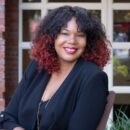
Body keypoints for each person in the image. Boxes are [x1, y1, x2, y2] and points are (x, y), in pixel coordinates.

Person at [0, 5, 110, 130]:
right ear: (52, 37)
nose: (72, 41)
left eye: (80, 35)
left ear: (88, 41)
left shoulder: (93, 78)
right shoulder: (38, 67)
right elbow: (8, 116)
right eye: (64, 33)